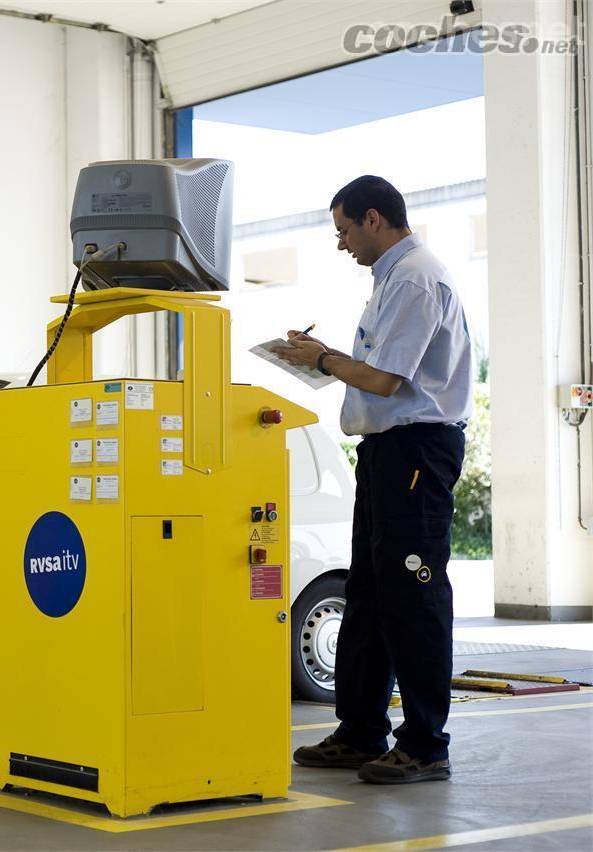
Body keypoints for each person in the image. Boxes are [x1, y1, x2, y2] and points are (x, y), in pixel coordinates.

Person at [272, 175, 472, 785]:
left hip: (417, 452)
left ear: (375, 219)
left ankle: (424, 745)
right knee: (369, 594)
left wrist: (323, 360)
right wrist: (326, 354)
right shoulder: (391, 280)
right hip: (388, 454)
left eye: (344, 230)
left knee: (413, 597)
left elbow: (386, 382)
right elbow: (381, 372)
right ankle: (360, 730)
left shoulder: (415, 278)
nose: (342, 244)